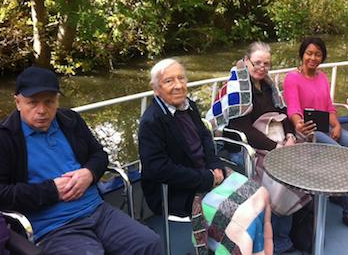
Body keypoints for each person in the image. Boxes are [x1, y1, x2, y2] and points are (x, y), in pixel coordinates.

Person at [0, 66, 163, 255]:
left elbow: (99, 155)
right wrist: (51, 190)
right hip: (55, 227)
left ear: (57, 101)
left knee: (149, 243)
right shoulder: (6, 138)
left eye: (49, 102)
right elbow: (3, 193)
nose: (42, 110)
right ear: (18, 102)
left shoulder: (70, 120)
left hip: (98, 211)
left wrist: (89, 173)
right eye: (33, 103)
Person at [138, 59, 273, 254]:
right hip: (177, 192)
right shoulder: (152, 121)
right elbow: (158, 168)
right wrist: (207, 178)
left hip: (208, 174)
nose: (177, 85)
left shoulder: (188, 106)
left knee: (261, 194)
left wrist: (215, 166)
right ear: (156, 89)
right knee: (242, 217)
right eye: (169, 81)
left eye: (181, 78)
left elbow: (205, 139)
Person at [207, 42, 307, 254]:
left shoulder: (268, 86)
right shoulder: (238, 89)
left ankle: (292, 232)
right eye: (257, 63)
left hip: (277, 139)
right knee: (284, 180)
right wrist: (276, 146)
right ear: (246, 61)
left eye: (266, 64)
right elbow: (244, 130)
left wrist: (289, 136)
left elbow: (284, 112)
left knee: (304, 166)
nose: (262, 68)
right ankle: (279, 239)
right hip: (248, 146)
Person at [282, 36, 348, 236]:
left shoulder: (322, 77)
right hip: (308, 131)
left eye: (317, 54)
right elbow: (293, 108)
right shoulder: (292, 78)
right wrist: (299, 123)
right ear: (302, 54)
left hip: (325, 126)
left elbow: (329, 107)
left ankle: (342, 194)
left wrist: (336, 125)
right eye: (309, 53)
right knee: (339, 154)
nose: (313, 58)